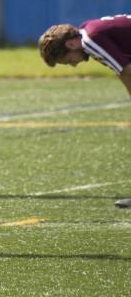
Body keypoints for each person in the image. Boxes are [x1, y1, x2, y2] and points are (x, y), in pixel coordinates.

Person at [38, 14, 131, 208]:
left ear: (71, 44)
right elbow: (122, 70)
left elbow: (126, 70)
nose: (73, 64)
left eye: (67, 60)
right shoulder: (88, 30)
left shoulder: (90, 41)